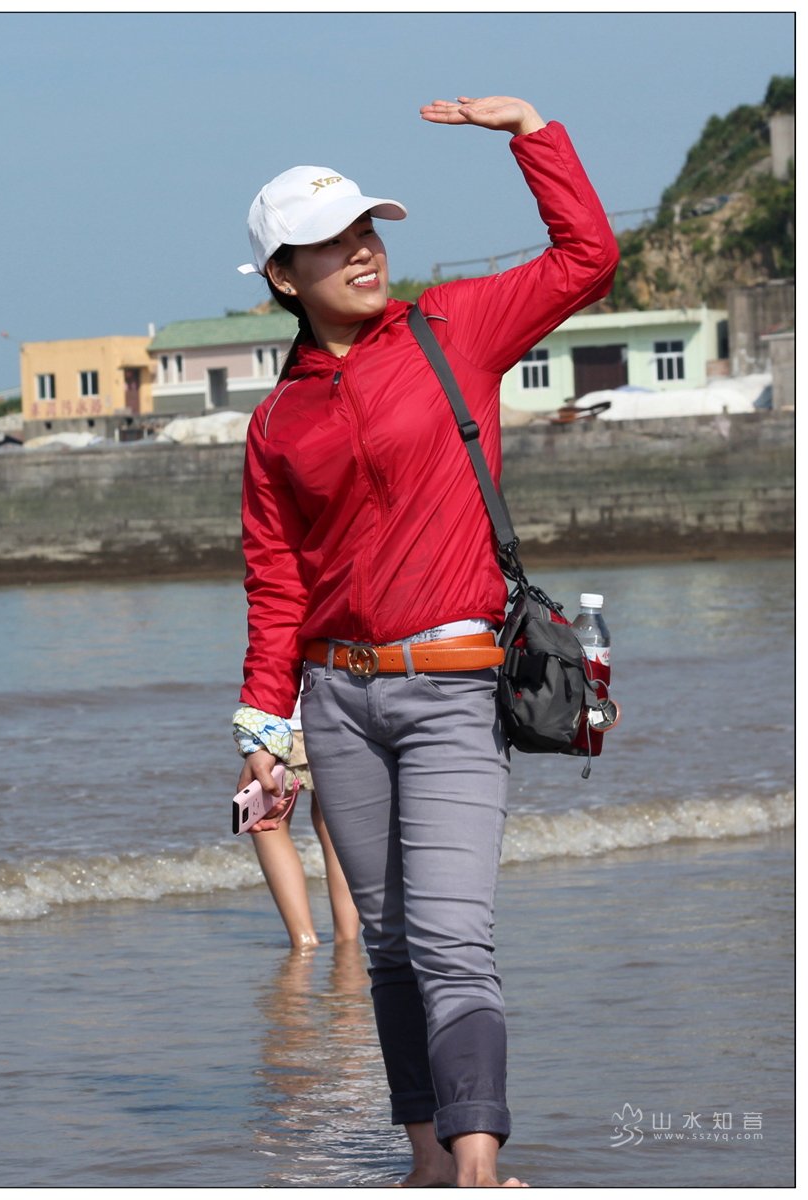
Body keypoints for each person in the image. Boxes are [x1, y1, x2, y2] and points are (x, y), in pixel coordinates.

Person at [231, 95, 619, 1188]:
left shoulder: (454, 328)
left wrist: (533, 135)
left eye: (369, 229)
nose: (364, 250)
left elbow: (588, 258)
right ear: (282, 277)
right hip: (337, 705)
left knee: (451, 940)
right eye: (332, 242)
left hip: (453, 690)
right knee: (391, 950)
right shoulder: (276, 422)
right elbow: (277, 582)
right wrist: (263, 727)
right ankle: (424, 1165)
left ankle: (480, 1168)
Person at [248, 700, 361, 950]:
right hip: (342, 714)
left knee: (268, 823)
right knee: (335, 822)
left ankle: (304, 941)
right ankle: (348, 943)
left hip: (282, 721)